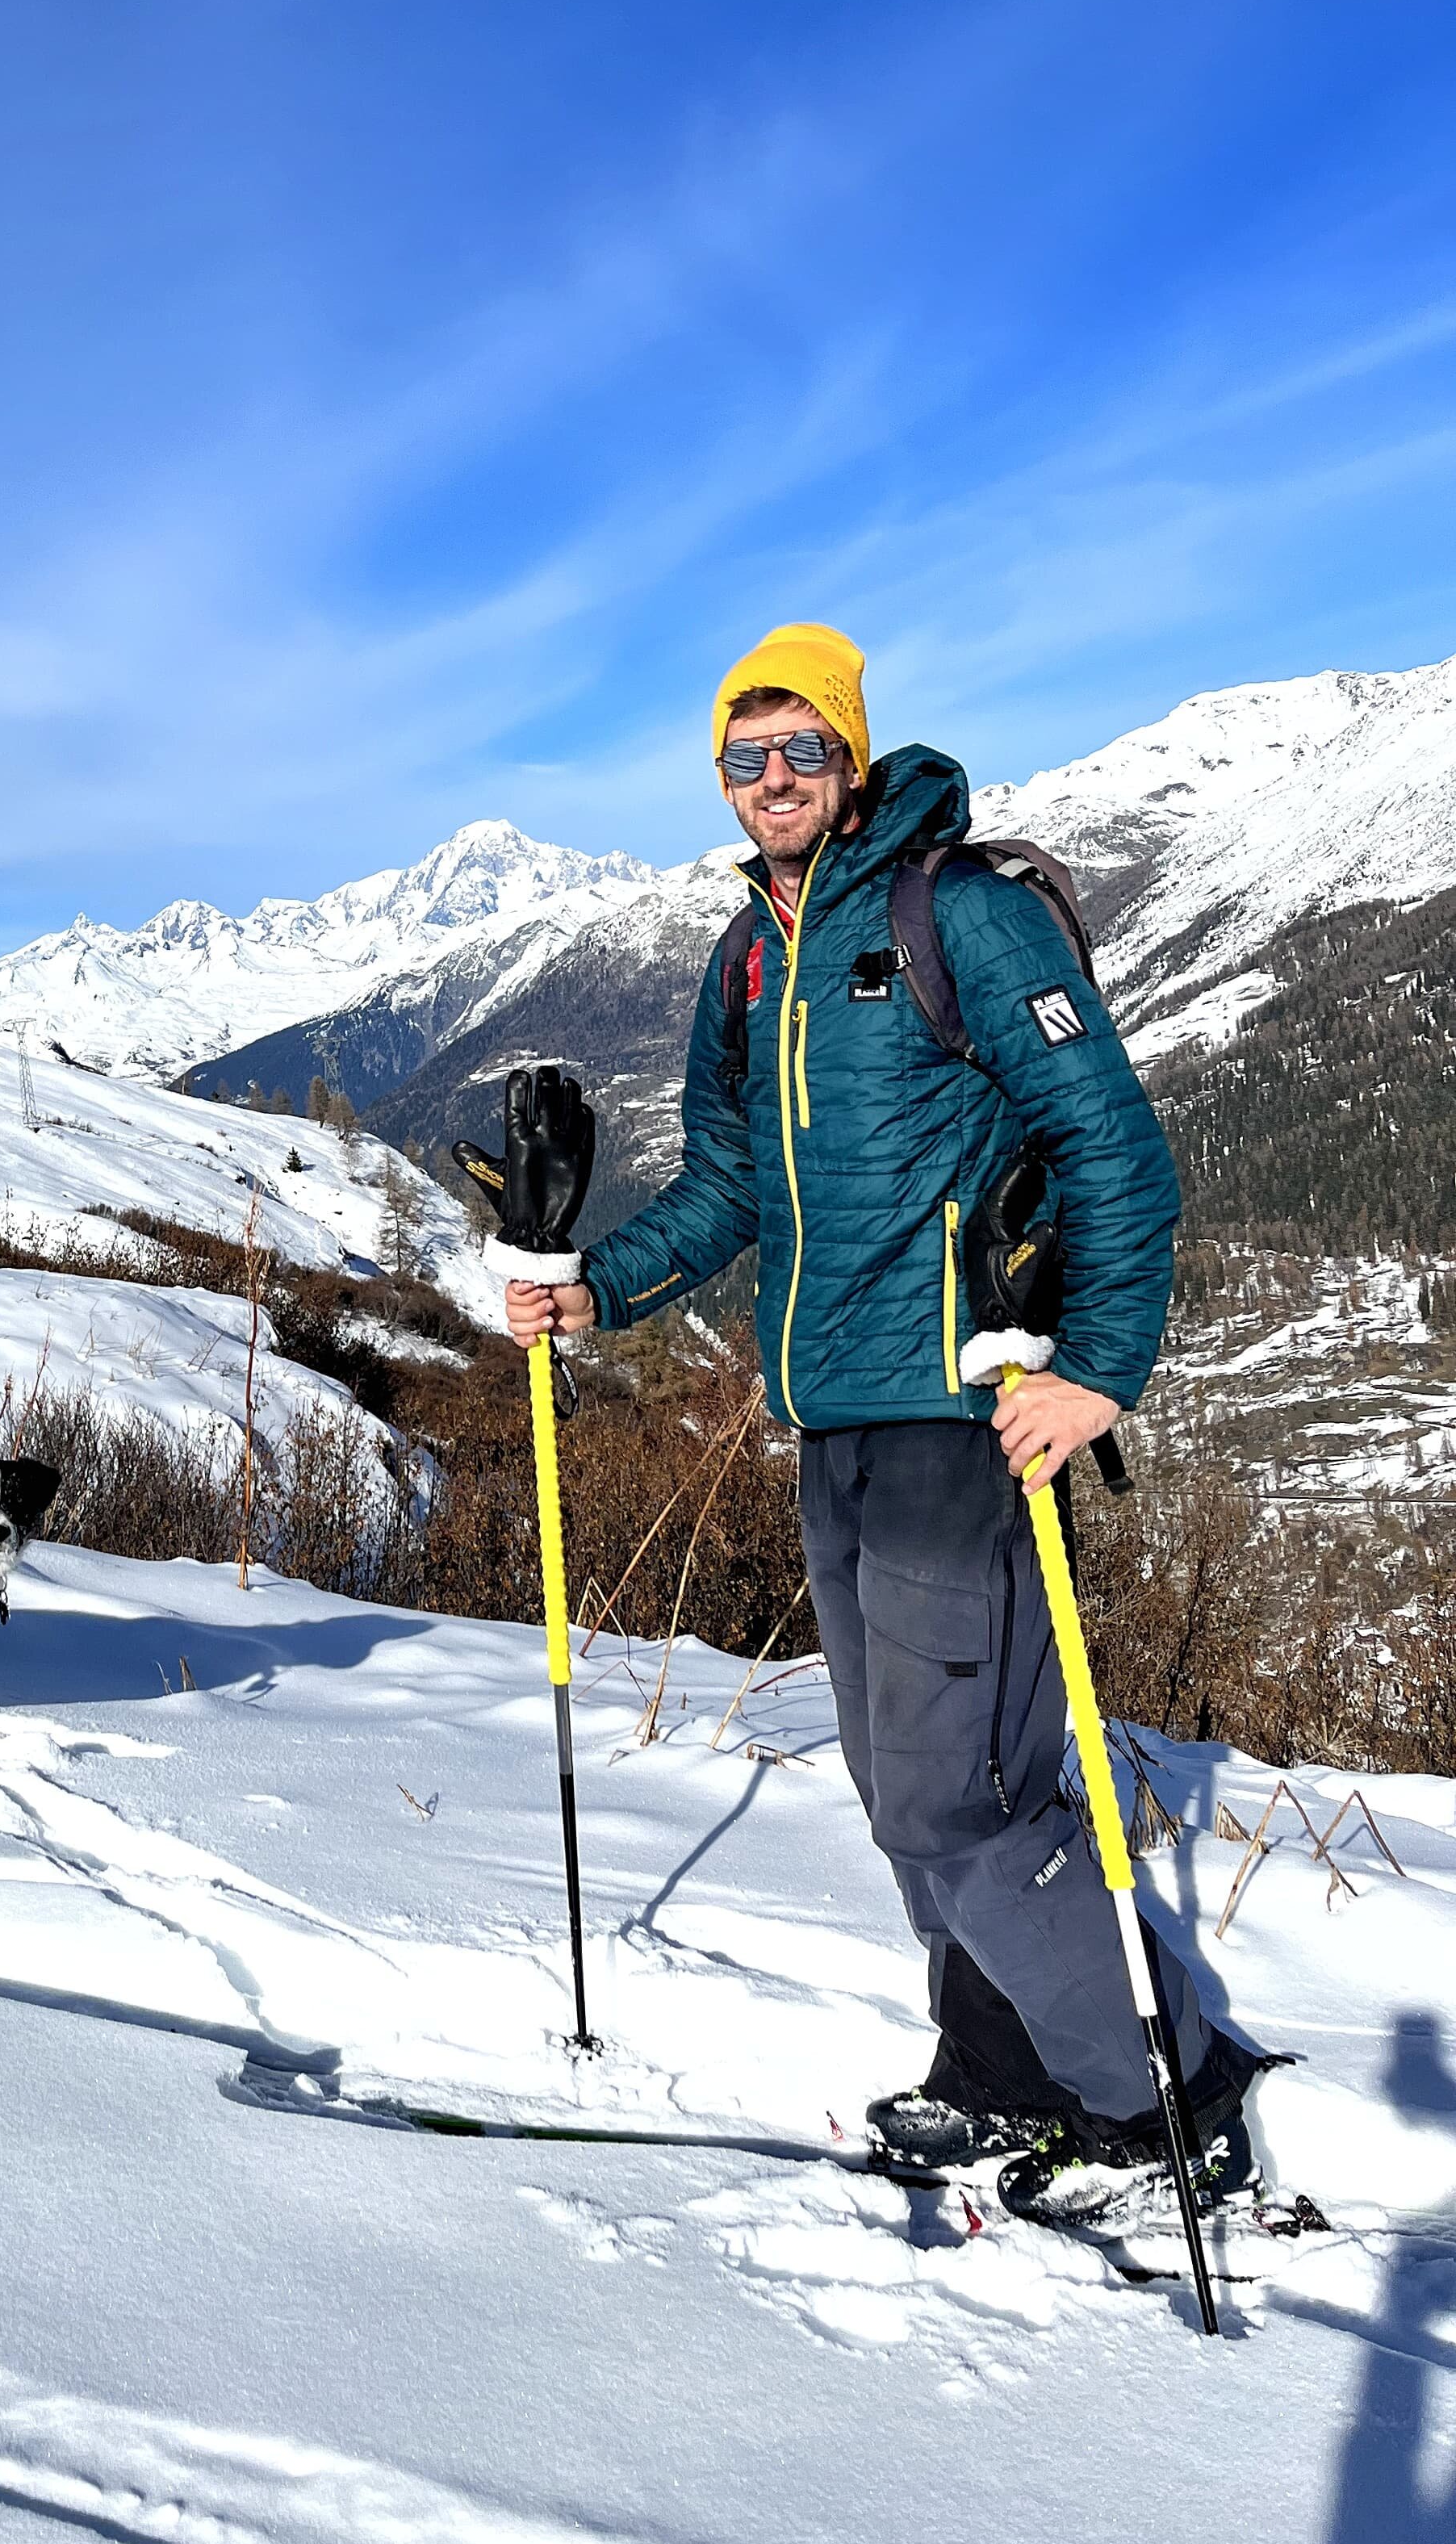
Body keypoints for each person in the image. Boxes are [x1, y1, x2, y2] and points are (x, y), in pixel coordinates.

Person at [505, 621, 1257, 2207]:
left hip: (958, 1418)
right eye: (743, 755)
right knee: (909, 1781)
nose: (772, 778)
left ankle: (1165, 2092)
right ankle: (1000, 2072)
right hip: (829, 1419)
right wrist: (599, 1289)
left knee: (950, 1790)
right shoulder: (751, 956)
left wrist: (1098, 1368)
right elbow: (728, 1186)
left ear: (852, 758)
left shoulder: (959, 914)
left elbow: (1113, 1145)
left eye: (801, 749)